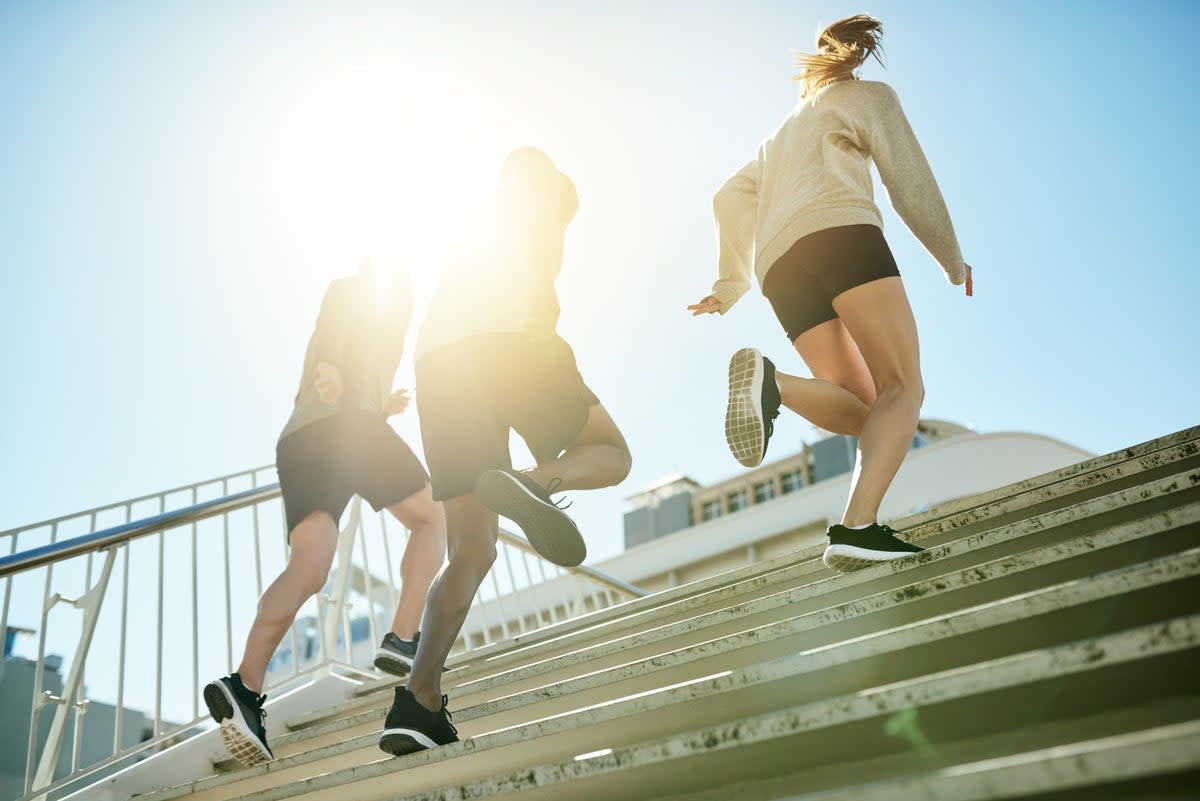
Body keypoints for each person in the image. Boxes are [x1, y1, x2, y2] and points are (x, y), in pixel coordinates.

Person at [688, 14, 973, 574]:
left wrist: (731, 284)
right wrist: (950, 258)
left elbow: (727, 198)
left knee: (869, 410)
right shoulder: (867, 97)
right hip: (841, 236)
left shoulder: (779, 138)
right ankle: (858, 526)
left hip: (779, 269)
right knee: (903, 387)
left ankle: (775, 384)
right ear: (856, 59)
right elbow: (907, 177)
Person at [377, 148, 632, 756]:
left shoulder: (471, 220)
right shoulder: (547, 213)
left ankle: (418, 700)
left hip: (439, 365)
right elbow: (539, 297)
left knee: (472, 548)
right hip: (516, 346)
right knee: (612, 452)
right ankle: (540, 481)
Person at [204, 262, 447, 766]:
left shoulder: (384, 294)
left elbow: (344, 339)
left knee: (310, 565)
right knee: (432, 518)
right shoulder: (378, 287)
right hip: (348, 426)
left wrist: (378, 400)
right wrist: (334, 371)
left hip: (301, 438)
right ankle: (403, 636)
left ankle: (244, 688)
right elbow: (337, 320)